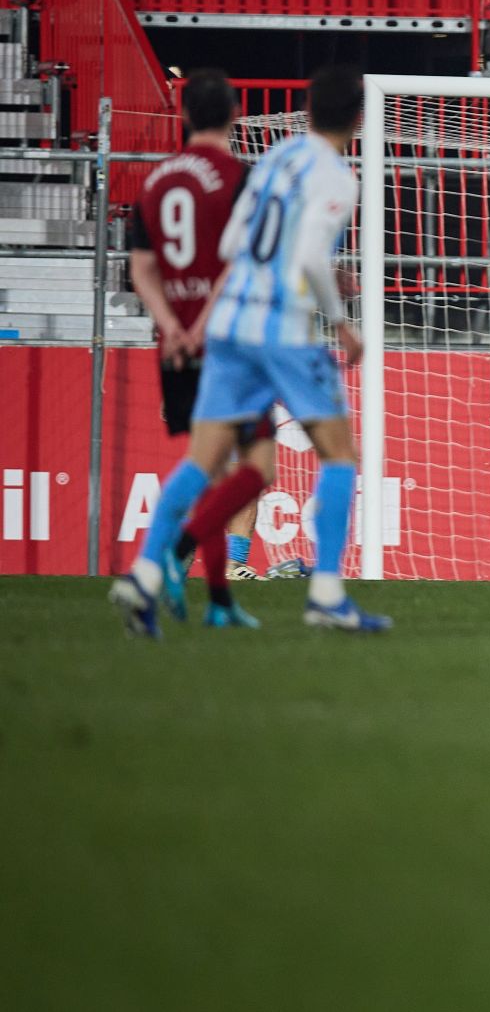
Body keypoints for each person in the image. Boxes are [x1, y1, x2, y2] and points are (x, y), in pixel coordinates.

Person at [109, 67, 389, 636]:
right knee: (339, 455)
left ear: (305, 112)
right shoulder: (336, 176)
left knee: (205, 460)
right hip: (280, 327)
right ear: (359, 120)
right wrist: (341, 324)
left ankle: (142, 572)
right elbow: (311, 255)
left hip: (229, 322)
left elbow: (236, 240)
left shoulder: (278, 159)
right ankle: (328, 595)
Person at [125, 69, 275, 595]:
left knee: (205, 460)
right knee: (251, 462)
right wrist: (205, 325)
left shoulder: (155, 180)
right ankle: (208, 560)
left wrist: (173, 326)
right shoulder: (240, 178)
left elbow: (140, 267)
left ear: (185, 115)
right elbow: (242, 264)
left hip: (175, 344)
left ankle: (178, 563)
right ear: (235, 115)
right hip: (230, 340)